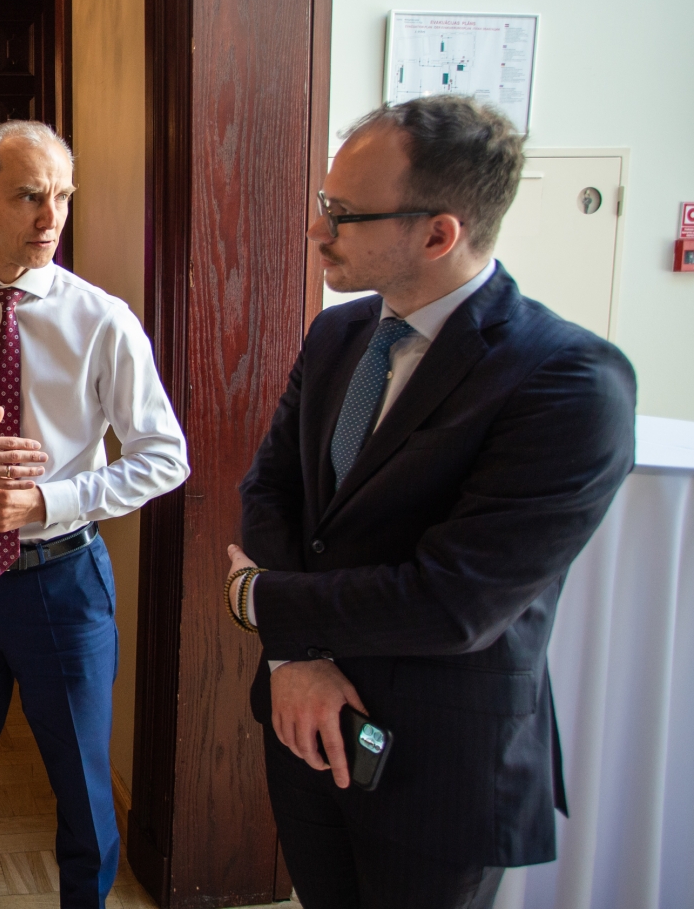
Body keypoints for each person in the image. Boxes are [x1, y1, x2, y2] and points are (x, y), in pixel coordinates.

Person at [227, 95, 636, 909]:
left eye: (344, 215)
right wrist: (294, 657)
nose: (317, 229)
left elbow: (455, 601)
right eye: (325, 203)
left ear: (439, 234)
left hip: (439, 767)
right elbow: (271, 491)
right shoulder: (338, 335)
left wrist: (258, 599)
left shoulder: (568, 380)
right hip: (304, 725)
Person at [0, 121, 190, 909]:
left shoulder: (103, 320)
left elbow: (165, 456)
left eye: (62, 197)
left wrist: (50, 498)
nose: (52, 218)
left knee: (82, 780)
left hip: (63, 582)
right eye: (28, 197)